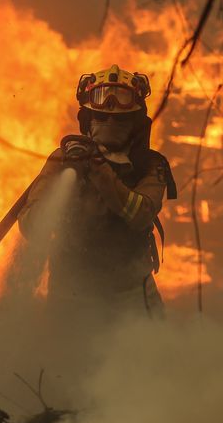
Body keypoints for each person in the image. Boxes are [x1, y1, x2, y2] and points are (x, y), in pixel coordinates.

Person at [17, 64, 176, 319]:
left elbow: (140, 213)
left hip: (132, 296)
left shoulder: (151, 165)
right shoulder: (63, 160)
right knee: (66, 359)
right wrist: (65, 186)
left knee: (153, 357)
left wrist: (98, 169)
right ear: (87, 121)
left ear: (135, 125)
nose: (110, 123)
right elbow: (30, 225)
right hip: (71, 296)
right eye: (101, 118)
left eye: (121, 120)